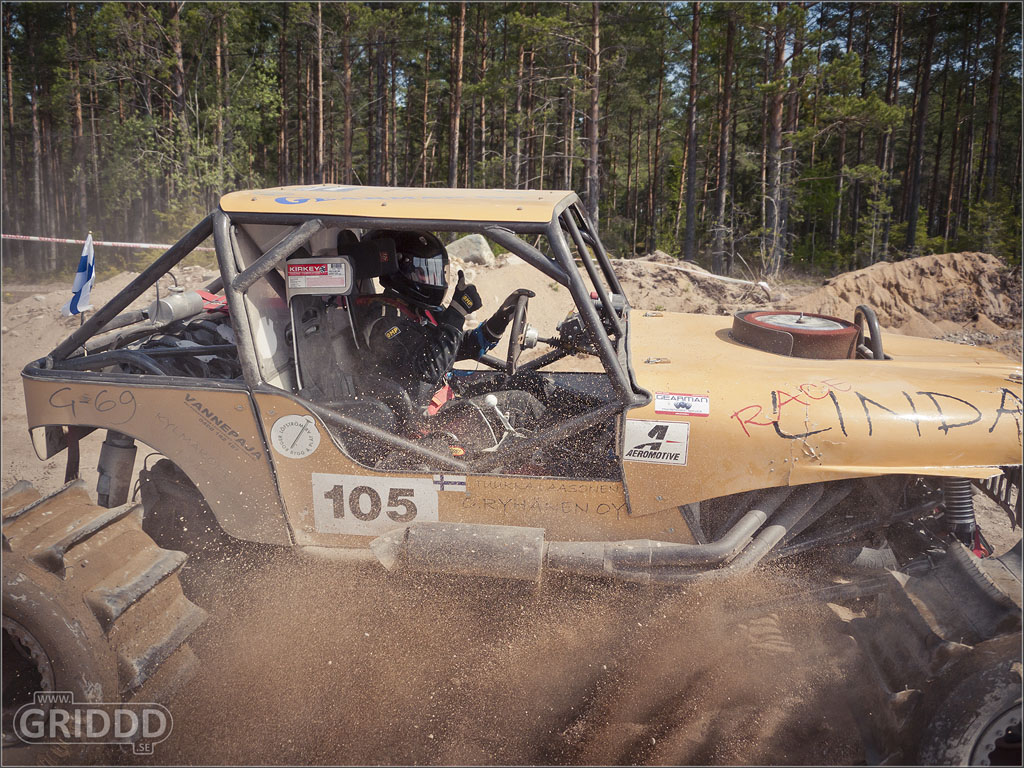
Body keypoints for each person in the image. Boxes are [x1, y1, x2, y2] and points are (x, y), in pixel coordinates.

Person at [354, 229, 534, 415]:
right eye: (426, 273)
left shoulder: (416, 309)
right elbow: (428, 370)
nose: (436, 280)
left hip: (447, 396)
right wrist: (456, 314)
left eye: (438, 273)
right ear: (403, 272)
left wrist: (498, 322)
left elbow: (452, 348)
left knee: (530, 382)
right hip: (426, 417)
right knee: (523, 403)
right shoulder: (384, 320)